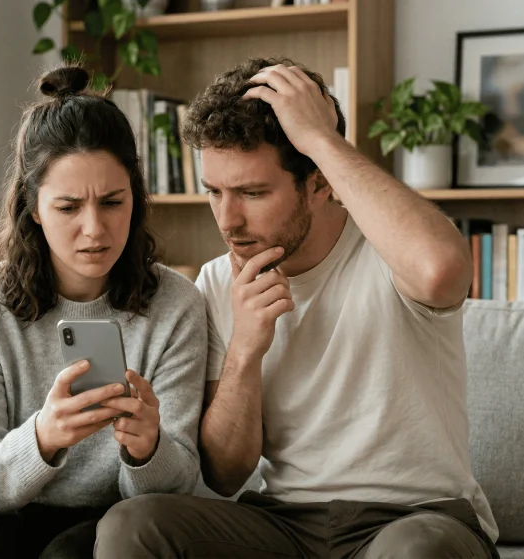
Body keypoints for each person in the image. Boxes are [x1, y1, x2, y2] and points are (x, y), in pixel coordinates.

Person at [95, 57, 500, 558]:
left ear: (319, 181)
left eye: (252, 192)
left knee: (418, 551)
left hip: (415, 519)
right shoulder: (220, 281)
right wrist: (245, 351)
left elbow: (442, 269)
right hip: (285, 525)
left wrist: (321, 140)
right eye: (215, 192)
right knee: (132, 525)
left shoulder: (390, 252)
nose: (228, 219)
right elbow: (224, 475)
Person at [0, 65, 207, 559]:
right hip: (1, 510)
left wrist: (147, 451)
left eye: (113, 202)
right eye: (69, 207)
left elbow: (178, 485)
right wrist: (43, 437)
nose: (94, 229)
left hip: (111, 515)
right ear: (33, 207)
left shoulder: (176, 304)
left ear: (136, 201)